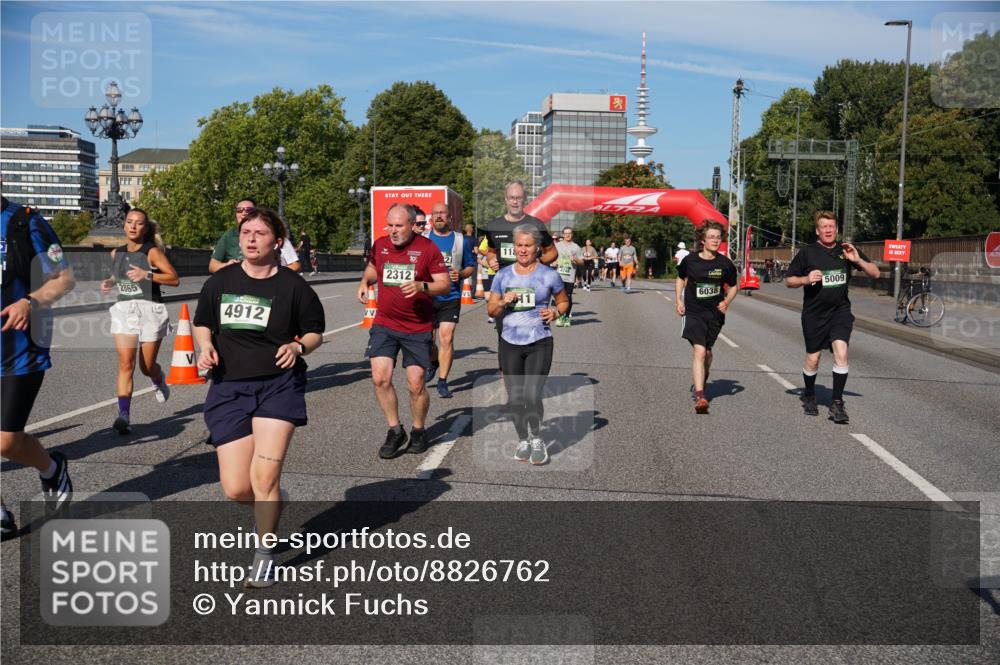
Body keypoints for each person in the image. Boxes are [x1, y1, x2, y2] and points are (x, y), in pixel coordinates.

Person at [194, 206, 324, 587]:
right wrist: (204, 347)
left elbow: (315, 331)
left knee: (264, 475)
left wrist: (299, 348)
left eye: (260, 233)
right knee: (237, 487)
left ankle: (265, 554)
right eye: (246, 232)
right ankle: (270, 502)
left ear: (277, 242)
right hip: (229, 387)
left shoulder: (293, 286)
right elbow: (204, 323)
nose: (250, 238)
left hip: (278, 386)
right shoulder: (221, 282)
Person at [1, 196, 75, 537]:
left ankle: (51, 467)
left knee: (6, 442)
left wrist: (30, 302)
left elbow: (64, 278)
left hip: (18, 350)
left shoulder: (26, 221)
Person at [357, 204, 449, 459]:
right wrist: (365, 282)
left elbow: (444, 283)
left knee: (416, 384)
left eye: (399, 226)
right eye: (390, 225)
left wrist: (423, 286)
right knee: (380, 378)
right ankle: (395, 430)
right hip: (385, 324)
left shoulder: (427, 249)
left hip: (417, 326)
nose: (393, 231)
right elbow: (374, 268)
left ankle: (418, 430)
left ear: (411, 225)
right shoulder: (381, 244)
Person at [486, 224, 568, 466]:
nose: (522, 250)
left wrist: (555, 312)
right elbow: (491, 309)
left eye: (527, 245)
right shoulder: (503, 275)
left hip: (539, 341)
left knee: (532, 394)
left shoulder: (549, 275)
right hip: (510, 341)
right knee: (515, 398)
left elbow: (564, 301)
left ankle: (537, 437)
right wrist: (502, 301)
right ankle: (523, 438)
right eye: (519, 245)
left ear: (537, 248)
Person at [786, 210, 879, 423]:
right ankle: (809, 394)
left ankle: (836, 403)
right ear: (818, 230)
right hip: (814, 314)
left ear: (836, 229)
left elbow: (875, 273)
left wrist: (858, 260)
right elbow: (789, 280)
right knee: (813, 358)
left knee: (841, 352)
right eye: (824, 227)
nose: (828, 230)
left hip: (840, 312)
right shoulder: (808, 253)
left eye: (831, 227)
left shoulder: (846, 249)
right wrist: (806, 279)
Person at [99, 208, 179, 434]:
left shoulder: (152, 252)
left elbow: (174, 279)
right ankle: (124, 415)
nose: (133, 226)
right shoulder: (116, 253)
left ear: (145, 228)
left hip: (149, 309)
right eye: (129, 222)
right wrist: (109, 282)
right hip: (124, 308)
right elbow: (119, 276)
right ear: (124, 225)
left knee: (146, 366)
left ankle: (157, 377)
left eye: (139, 223)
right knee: (126, 363)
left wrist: (148, 275)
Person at [674, 221, 738, 414]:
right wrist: (678, 299)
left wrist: (727, 301)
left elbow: (734, 286)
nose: (715, 241)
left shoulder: (725, 264)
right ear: (703, 240)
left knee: (707, 354)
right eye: (711, 237)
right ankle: (701, 395)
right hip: (693, 312)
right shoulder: (691, 261)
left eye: (718, 238)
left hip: (714, 316)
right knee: (699, 352)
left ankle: (703, 376)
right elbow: (680, 278)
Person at [425, 202, 475, 398]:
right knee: (427, 341)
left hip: (451, 296)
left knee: (446, 337)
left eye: (442, 213)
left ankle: (443, 381)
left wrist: (461, 274)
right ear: (431, 217)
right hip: (427, 296)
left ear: (449, 218)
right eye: (435, 213)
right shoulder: (423, 239)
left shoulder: (461, 240)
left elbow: (470, 265)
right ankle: (434, 362)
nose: (439, 216)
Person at [210, 198, 301, 273]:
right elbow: (212, 266)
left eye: (260, 233)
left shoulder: (276, 236)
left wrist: (274, 275)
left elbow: (295, 265)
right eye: (239, 210)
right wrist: (227, 266)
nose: (243, 213)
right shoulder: (229, 235)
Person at [483, 181, 557, 273]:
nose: (515, 202)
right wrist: (490, 260)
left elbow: (553, 252)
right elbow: (491, 252)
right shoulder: (493, 226)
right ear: (506, 199)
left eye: (519, 198)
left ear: (525, 199)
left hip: (531, 283)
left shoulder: (536, 224)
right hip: (504, 283)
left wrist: (539, 262)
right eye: (511, 198)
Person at [554, 226, 584, 327]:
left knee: (568, 297)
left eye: (569, 233)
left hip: (570, 276)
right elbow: (551, 257)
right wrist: (554, 262)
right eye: (566, 233)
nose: (567, 235)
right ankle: (560, 317)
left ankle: (566, 318)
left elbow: (581, 262)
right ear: (563, 234)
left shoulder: (576, 247)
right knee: (559, 298)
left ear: (572, 234)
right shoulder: (557, 245)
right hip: (559, 276)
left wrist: (575, 259)